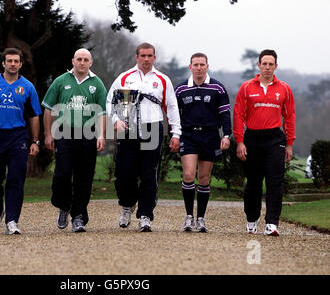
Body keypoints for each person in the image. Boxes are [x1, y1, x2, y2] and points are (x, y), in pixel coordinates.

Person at [106, 42, 181, 232]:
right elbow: (109, 101)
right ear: (137, 57)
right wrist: (115, 120)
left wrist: (176, 133)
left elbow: (172, 107)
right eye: (143, 56)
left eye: (150, 56)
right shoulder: (124, 78)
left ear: (154, 57)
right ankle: (127, 204)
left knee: (149, 174)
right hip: (128, 128)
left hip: (153, 128)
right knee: (124, 172)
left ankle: (146, 215)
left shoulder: (162, 80)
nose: (146, 59)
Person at [0, 48, 41, 235]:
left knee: (16, 179)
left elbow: (35, 115)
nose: (12, 64)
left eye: (16, 61)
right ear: (3, 63)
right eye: (9, 61)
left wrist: (35, 141)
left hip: (18, 136)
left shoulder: (27, 87)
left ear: (20, 64)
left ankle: (12, 220)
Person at [42, 48, 107, 233]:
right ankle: (63, 205)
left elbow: (102, 112)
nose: (82, 62)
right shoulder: (61, 81)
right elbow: (47, 108)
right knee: (62, 175)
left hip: (88, 134)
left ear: (90, 63)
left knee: (83, 178)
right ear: (73, 61)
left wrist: (101, 135)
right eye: (79, 59)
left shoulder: (97, 83)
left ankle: (78, 216)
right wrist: (48, 133)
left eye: (86, 59)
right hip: (64, 132)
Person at [233, 49, 295, 236]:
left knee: (275, 182)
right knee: (253, 183)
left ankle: (272, 223)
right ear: (258, 65)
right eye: (264, 63)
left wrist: (290, 143)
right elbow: (238, 115)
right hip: (252, 139)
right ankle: (252, 219)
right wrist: (240, 141)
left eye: (271, 64)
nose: (267, 67)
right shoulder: (246, 87)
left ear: (276, 66)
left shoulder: (284, 88)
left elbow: (290, 116)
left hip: (275, 139)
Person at [174, 53, 231, 233]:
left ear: (207, 66)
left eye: (202, 65)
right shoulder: (181, 89)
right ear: (190, 66)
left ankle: (201, 219)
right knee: (189, 174)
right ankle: (189, 217)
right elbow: (174, 115)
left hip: (210, 136)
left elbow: (225, 114)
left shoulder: (217, 88)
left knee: (204, 178)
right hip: (189, 136)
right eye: (195, 65)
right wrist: (174, 134)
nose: (199, 68)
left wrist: (226, 135)